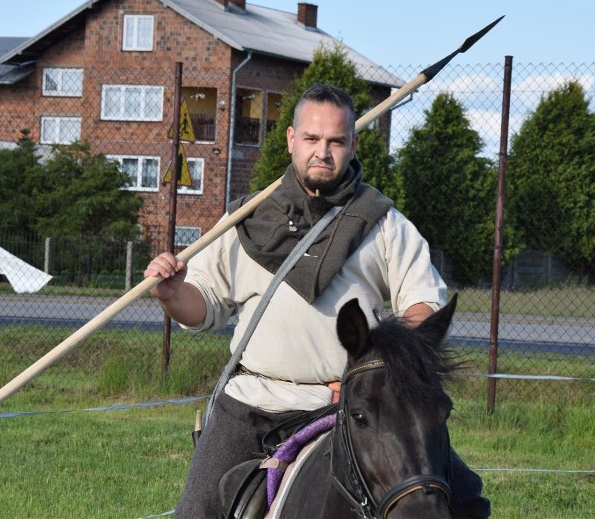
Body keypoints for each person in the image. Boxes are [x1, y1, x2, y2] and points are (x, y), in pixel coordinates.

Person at [144, 83, 490, 518]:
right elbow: (204, 306)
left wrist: (375, 374)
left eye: (335, 142)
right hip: (251, 402)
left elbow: (422, 304)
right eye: (311, 139)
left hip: (347, 409)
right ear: (291, 139)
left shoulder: (384, 224)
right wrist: (173, 294)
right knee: (196, 512)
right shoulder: (246, 219)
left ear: (353, 144)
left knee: (467, 501)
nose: (322, 152)